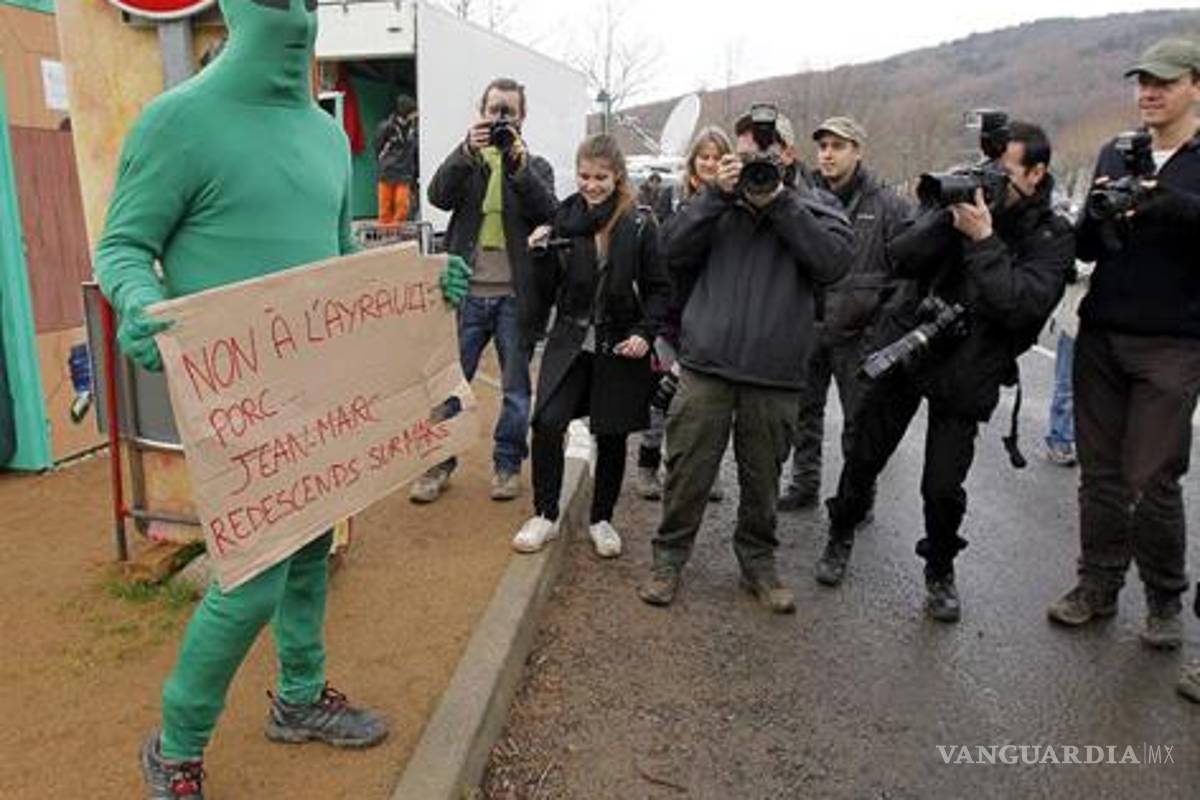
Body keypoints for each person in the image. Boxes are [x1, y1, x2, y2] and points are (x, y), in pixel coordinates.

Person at [92, 3, 465, 795]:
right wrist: (136, 300)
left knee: (310, 549)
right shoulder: (179, 121)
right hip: (234, 401)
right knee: (252, 578)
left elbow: (338, 270)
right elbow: (124, 243)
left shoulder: (327, 136)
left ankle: (299, 696)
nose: (294, 12)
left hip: (313, 397)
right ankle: (176, 743)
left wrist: (423, 290)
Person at [814, 120, 1073, 623]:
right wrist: (946, 219)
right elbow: (902, 257)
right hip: (909, 344)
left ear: (1036, 173)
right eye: (989, 168)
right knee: (864, 454)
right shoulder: (961, 205)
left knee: (942, 487)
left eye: (1005, 171)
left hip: (970, 369)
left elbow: (1021, 307)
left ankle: (939, 570)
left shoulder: (1052, 235)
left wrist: (982, 240)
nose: (992, 179)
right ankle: (840, 530)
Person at [639, 103, 854, 613]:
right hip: (706, 365)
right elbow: (669, 251)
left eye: (767, 151)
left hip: (775, 374)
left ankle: (758, 563)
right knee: (688, 471)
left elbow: (833, 264)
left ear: (789, 154)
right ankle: (668, 559)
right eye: (747, 153)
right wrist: (716, 194)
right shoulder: (714, 203)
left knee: (763, 481)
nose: (756, 161)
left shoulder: (816, 205)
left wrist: (780, 202)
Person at [1047, 38, 1200, 652]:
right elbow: (1086, 247)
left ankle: (1165, 599)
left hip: (1175, 340)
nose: (1149, 92)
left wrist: (1165, 203)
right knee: (1101, 474)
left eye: (1163, 81)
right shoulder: (1118, 150)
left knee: (1152, 477)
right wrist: (1097, 221)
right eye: (1142, 82)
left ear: (1196, 84)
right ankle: (1097, 586)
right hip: (1103, 331)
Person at [513, 134, 671, 556]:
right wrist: (539, 254)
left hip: (619, 343)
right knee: (547, 422)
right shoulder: (564, 217)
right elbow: (546, 290)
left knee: (613, 433)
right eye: (584, 175)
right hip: (569, 339)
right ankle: (545, 514)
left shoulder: (639, 222)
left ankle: (602, 520)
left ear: (617, 175)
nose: (591, 185)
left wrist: (644, 333)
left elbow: (659, 289)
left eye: (600, 177)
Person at [414, 77, 558, 504]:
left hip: (515, 295)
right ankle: (438, 464)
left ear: (522, 118)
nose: (499, 118)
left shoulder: (536, 166)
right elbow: (438, 196)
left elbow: (548, 210)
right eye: (493, 110)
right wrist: (465, 152)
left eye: (508, 112)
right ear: (481, 113)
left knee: (515, 389)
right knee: (449, 384)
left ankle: (507, 465)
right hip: (465, 293)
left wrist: (518, 168)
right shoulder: (469, 160)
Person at [778, 117, 912, 513]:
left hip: (860, 334)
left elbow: (905, 274)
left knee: (860, 422)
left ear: (858, 151)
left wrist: (883, 327)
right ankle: (804, 484)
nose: (828, 155)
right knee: (804, 413)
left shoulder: (888, 204)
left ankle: (858, 495)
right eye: (823, 147)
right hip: (810, 325)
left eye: (838, 146)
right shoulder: (805, 198)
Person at [635, 126, 734, 503]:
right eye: (703, 157)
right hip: (676, 316)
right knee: (662, 396)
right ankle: (647, 463)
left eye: (716, 157)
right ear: (693, 163)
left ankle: (705, 471)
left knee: (713, 403)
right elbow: (666, 250)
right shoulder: (674, 200)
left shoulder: (735, 201)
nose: (709, 164)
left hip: (718, 318)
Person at [375, 93, 419, 224]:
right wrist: (384, 163)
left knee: (402, 207)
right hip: (387, 171)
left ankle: (395, 233)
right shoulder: (386, 127)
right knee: (385, 208)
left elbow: (415, 150)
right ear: (406, 112)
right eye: (414, 111)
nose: (416, 114)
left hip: (405, 173)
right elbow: (378, 148)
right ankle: (385, 236)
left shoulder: (413, 128)